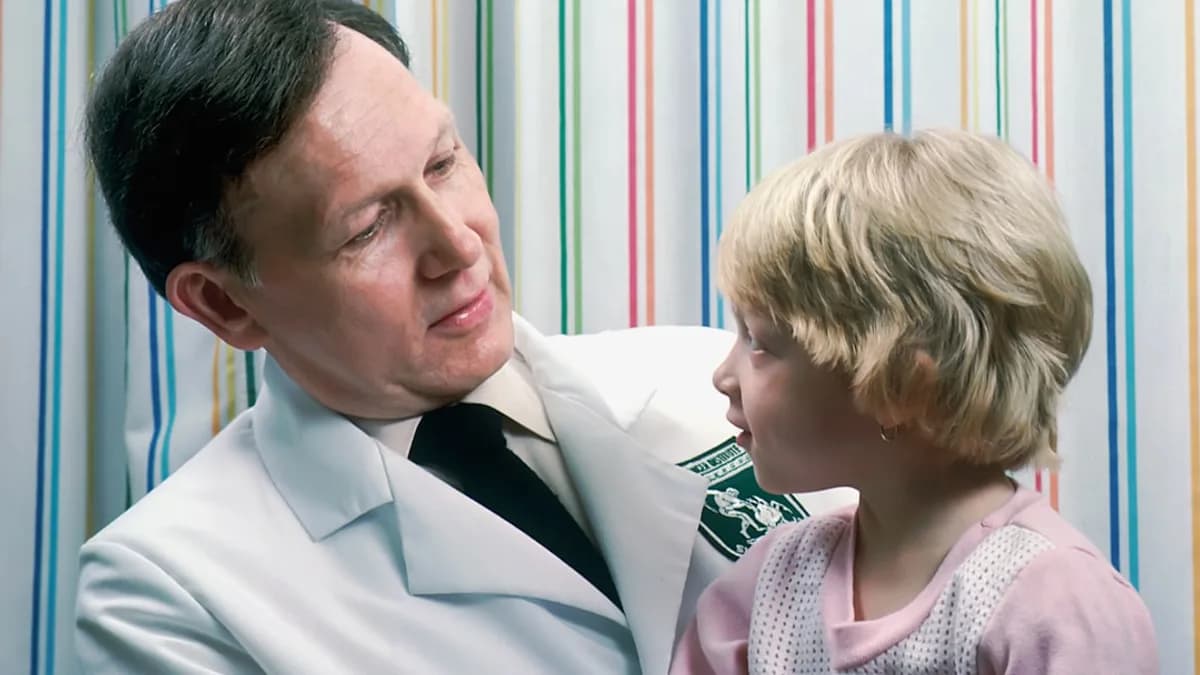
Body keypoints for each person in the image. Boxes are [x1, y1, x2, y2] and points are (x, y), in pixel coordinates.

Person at [74, 1, 855, 672]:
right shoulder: (169, 588)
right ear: (223, 304)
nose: (460, 243)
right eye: (368, 227)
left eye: (444, 162)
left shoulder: (703, 375)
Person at [670, 129, 1159, 674]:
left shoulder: (1053, 606)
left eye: (759, 342)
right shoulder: (768, 589)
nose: (722, 375)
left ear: (901, 386)